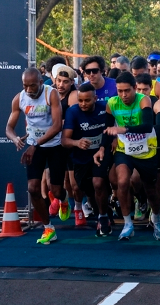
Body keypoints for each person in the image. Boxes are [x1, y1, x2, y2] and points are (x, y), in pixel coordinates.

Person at [5, 67, 68, 245]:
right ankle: (48, 228)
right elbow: (8, 128)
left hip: (54, 145)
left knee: (55, 190)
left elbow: (57, 126)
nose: (29, 90)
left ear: (41, 82)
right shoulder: (19, 98)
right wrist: (15, 138)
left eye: (33, 86)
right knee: (33, 188)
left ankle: (63, 200)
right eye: (25, 86)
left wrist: (35, 144)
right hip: (35, 145)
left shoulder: (51, 94)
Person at [105, 72, 160, 241]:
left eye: (127, 91)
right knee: (122, 181)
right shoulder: (112, 104)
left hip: (147, 151)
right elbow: (107, 129)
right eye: (120, 91)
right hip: (125, 150)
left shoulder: (143, 100)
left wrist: (124, 130)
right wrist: (103, 148)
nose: (123, 95)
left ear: (134, 89)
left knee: (151, 191)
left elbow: (147, 126)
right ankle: (127, 223)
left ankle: (156, 217)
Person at [61, 82, 116, 236]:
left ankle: (103, 218)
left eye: (87, 100)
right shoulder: (73, 112)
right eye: (80, 101)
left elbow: (115, 124)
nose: (83, 104)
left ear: (95, 98)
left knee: (98, 183)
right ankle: (103, 211)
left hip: (101, 152)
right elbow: (64, 140)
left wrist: (114, 139)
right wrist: (76, 142)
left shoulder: (104, 107)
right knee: (88, 190)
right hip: (80, 157)